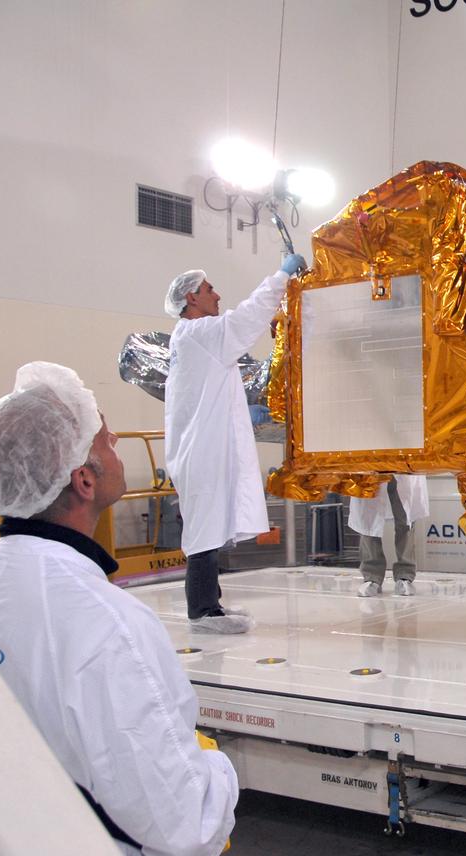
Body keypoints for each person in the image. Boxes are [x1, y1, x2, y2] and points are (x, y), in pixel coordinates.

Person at [0, 362, 238, 855]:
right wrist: (215, 766)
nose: (118, 446)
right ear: (84, 481)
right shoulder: (109, 626)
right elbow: (186, 826)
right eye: (107, 440)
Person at [164, 255, 304, 633]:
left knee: (208, 528)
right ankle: (203, 611)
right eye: (209, 289)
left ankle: (211, 604)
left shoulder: (192, 339)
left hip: (203, 451)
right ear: (192, 298)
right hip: (202, 453)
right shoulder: (199, 334)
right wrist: (281, 277)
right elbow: (247, 318)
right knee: (204, 532)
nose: (217, 294)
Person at [351, 474, 429, 597]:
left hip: (401, 464)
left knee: (405, 517)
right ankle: (371, 577)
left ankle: (405, 576)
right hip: (371, 462)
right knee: (368, 519)